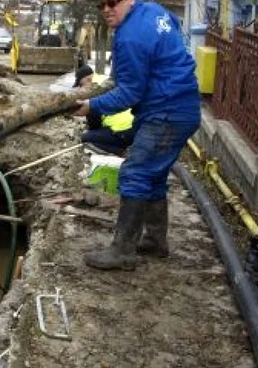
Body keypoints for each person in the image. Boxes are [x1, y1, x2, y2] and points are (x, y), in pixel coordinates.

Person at [73, 0, 201, 270]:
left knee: (135, 173)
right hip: (182, 106)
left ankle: (122, 252)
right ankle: (155, 241)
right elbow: (174, 29)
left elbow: (130, 92)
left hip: (167, 112)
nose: (106, 9)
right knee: (152, 175)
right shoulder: (153, 11)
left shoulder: (130, 36)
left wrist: (91, 106)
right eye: (100, 4)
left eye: (112, 2)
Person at [74, 65, 135, 157]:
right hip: (136, 127)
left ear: (88, 79)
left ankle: (122, 152)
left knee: (86, 138)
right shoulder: (106, 80)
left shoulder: (94, 91)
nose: (81, 89)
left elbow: (94, 126)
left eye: (81, 85)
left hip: (121, 132)